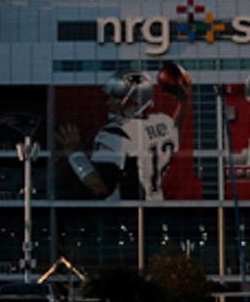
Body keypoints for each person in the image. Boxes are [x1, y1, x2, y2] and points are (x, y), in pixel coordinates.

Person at [65, 62, 195, 200]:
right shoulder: (162, 122)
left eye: (116, 97)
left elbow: (101, 188)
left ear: (133, 101)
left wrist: (74, 154)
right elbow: (175, 134)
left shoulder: (114, 133)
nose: (109, 102)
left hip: (128, 215)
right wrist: (184, 103)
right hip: (156, 206)